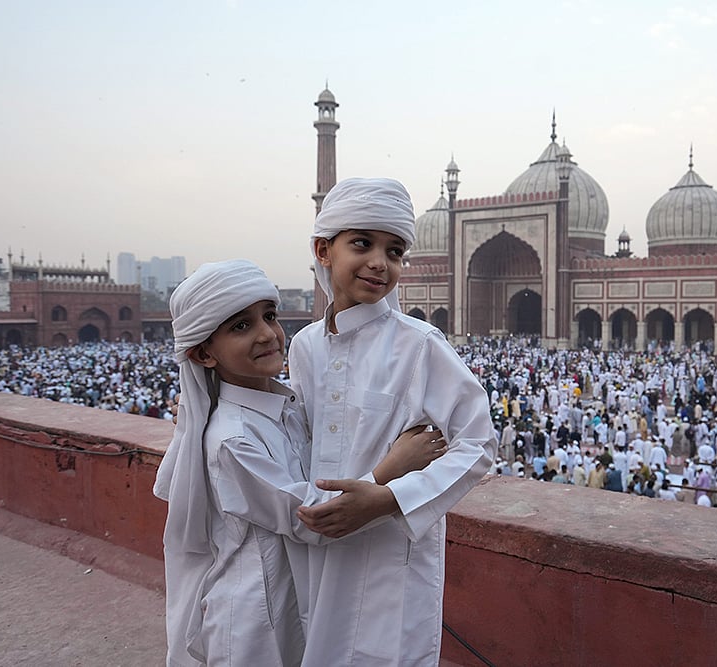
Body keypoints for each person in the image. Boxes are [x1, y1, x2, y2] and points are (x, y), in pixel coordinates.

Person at [152, 259, 445, 667]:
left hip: (296, 597)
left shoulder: (285, 406)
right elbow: (313, 518)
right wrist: (392, 468)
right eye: (241, 326)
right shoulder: (231, 439)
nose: (267, 334)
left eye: (269, 316)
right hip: (255, 618)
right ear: (204, 353)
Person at [288, 177, 497, 666]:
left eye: (395, 251)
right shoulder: (305, 347)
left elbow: (479, 443)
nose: (381, 262)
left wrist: (388, 498)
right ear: (323, 249)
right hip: (323, 545)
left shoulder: (419, 344)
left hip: (393, 558)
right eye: (362, 243)